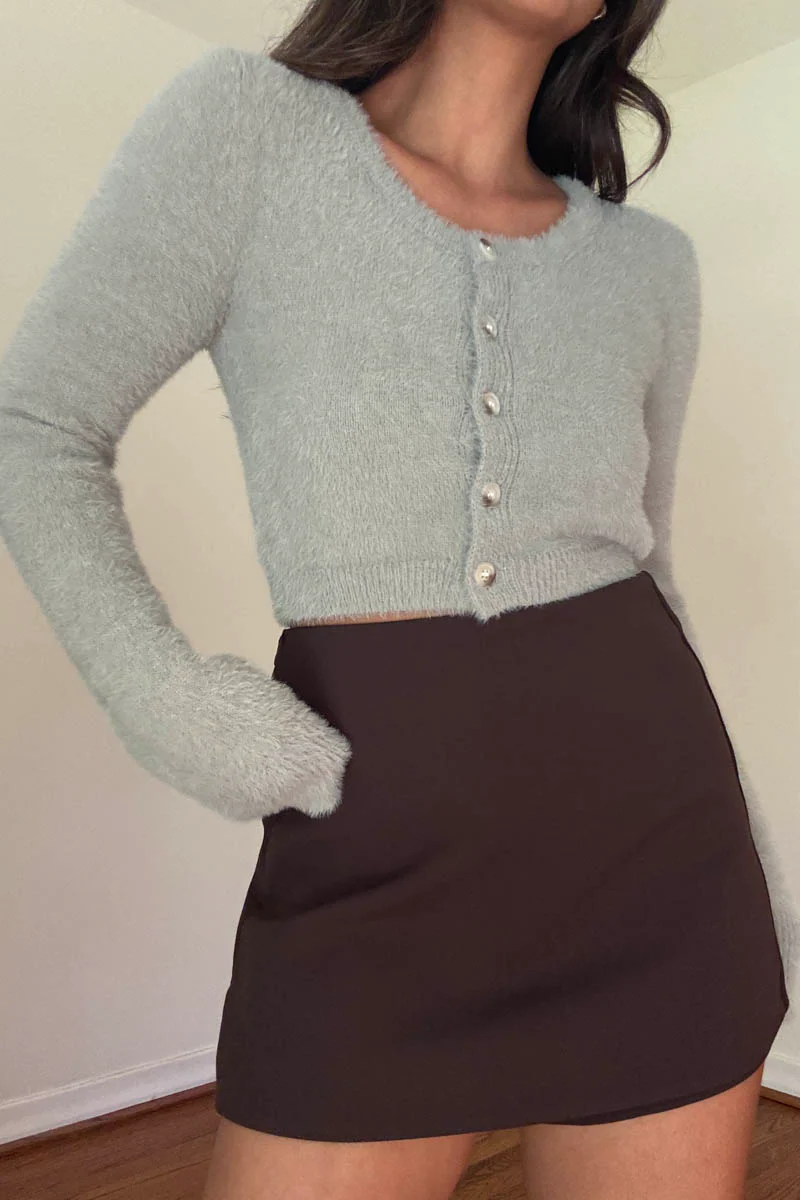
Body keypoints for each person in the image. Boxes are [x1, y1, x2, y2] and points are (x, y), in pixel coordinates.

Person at [0, 1, 795, 1197]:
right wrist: (168, 703)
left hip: (660, 868)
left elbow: (652, 564)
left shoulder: (648, 267)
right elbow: (35, 424)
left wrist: (756, 869)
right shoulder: (247, 130)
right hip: (372, 859)